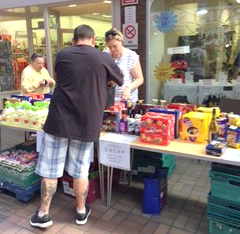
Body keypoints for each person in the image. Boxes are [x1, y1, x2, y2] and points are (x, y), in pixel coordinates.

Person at [30, 25, 123, 228]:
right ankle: (81, 212)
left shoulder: (62, 55)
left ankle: (43, 214)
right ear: (93, 39)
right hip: (87, 122)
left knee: (50, 170)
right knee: (80, 170)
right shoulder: (103, 58)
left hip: (58, 121)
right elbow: (120, 79)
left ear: (74, 40)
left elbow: (67, 77)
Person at [104, 28, 144, 102]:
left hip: (127, 99)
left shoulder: (131, 56)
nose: (112, 49)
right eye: (109, 47)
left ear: (121, 42)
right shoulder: (105, 55)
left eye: (115, 46)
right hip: (109, 99)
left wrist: (128, 88)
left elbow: (139, 79)